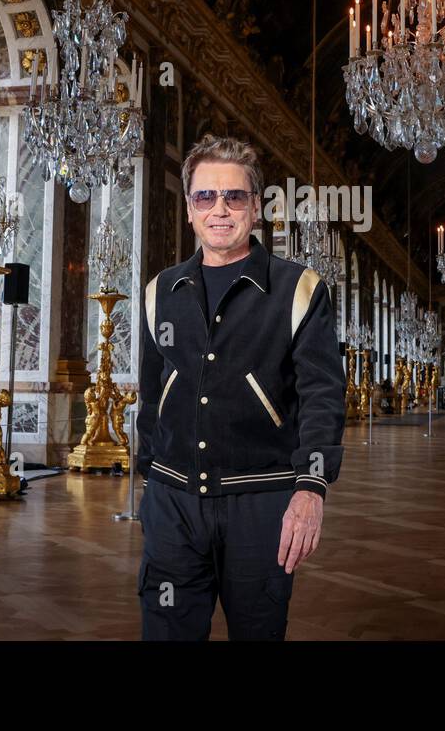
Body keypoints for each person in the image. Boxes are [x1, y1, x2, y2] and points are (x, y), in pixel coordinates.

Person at [135, 134, 346, 640]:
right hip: (173, 504)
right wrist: (151, 480)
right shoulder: (159, 291)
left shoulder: (299, 289)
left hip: (262, 502)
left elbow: (322, 395)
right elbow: (150, 393)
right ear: (189, 209)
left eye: (234, 196)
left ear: (256, 207)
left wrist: (311, 488)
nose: (220, 209)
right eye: (205, 197)